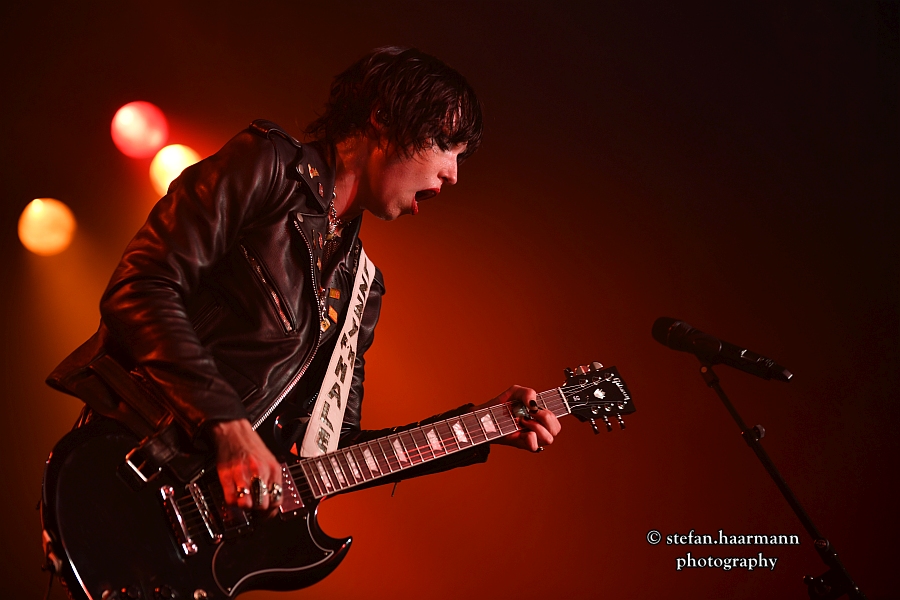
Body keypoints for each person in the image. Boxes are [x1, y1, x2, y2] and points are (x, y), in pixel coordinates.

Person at [47, 46, 560, 514]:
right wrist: (228, 427)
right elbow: (140, 286)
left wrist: (482, 428)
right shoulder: (266, 166)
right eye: (445, 144)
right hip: (134, 469)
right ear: (382, 118)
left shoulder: (361, 288)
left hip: (208, 531)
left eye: (461, 157)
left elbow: (331, 451)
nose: (453, 174)